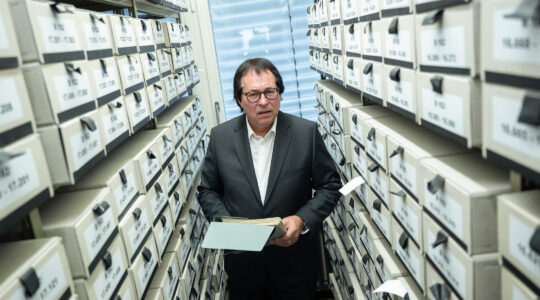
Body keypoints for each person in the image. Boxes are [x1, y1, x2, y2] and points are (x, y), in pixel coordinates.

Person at [197, 58, 342, 299]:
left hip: (295, 268)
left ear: (280, 94)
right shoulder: (220, 137)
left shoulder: (305, 133)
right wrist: (229, 225)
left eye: (270, 92)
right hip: (244, 268)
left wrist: (301, 220)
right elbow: (208, 191)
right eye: (253, 94)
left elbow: (330, 186)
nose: (263, 101)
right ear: (239, 100)